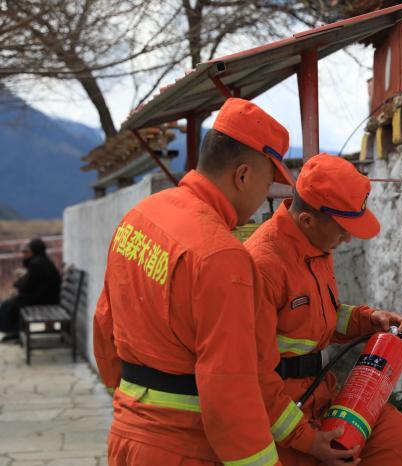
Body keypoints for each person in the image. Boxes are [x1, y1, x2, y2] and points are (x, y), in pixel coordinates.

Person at [93, 98, 293, 466]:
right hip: (183, 448)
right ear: (243, 175)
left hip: (126, 435)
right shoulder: (222, 257)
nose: (268, 195)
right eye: (269, 181)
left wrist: (131, 406)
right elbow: (228, 388)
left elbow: (105, 324)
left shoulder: (140, 215)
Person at [246, 153, 402, 466]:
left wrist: (369, 320)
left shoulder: (315, 244)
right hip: (280, 416)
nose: (348, 237)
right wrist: (308, 441)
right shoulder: (262, 265)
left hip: (322, 398)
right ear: (307, 220)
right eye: (341, 229)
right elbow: (250, 377)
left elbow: (322, 316)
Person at [0, 238, 61, 342]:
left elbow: (28, 285)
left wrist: (17, 283)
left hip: (45, 301)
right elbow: (32, 283)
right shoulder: (42, 261)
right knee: (10, 303)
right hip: (48, 298)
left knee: (7, 305)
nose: (25, 254)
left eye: (27, 251)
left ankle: (14, 332)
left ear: (34, 251)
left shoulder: (37, 263)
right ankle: (15, 332)